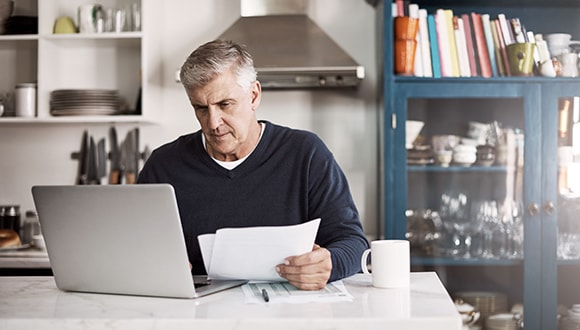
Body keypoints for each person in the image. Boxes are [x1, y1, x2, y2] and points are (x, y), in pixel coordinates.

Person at [137, 39, 369, 290]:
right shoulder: (162, 167)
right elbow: (132, 249)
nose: (213, 122)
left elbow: (353, 243)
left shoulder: (306, 154)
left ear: (254, 95)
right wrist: (152, 265)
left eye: (225, 104)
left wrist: (329, 264)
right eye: (201, 108)